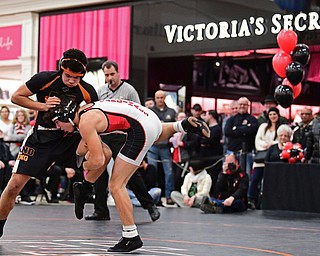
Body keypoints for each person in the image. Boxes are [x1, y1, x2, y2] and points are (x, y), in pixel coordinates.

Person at [44, 96, 210, 252]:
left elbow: (98, 160)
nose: (58, 127)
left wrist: (80, 167)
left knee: (116, 185)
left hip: (141, 129)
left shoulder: (86, 122)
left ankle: (130, 236)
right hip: (150, 119)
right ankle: (181, 126)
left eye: (58, 122)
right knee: (151, 136)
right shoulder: (87, 109)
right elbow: (100, 153)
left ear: (66, 117)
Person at [0, 48, 98, 238]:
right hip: (42, 138)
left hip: (69, 138)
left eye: (76, 78)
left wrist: (75, 123)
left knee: (103, 151)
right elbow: (16, 97)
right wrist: (43, 106)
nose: (71, 81)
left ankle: (85, 188)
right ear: (61, 69)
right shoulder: (45, 79)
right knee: (13, 186)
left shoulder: (87, 91)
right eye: (68, 76)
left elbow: (95, 116)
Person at [86, 60, 160, 222]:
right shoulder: (101, 91)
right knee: (99, 172)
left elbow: (140, 115)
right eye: (106, 75)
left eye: (112, 74)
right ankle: (100, 210)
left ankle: (149, 206)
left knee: (130, 175)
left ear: (119, 73)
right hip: (104, 136)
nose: (109, 78)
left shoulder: (129, 91)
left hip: (122, 136)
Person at [247, 107, 281, 209]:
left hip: (273, 159)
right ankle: (251, 199)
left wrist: (272, 145)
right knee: (255, 179)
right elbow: (257, 141)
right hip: (260, 158)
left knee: (269, 181)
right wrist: (266, 145)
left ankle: (266, 202)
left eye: (274, 114)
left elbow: (282, 141)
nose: (272, 116)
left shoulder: (281, 127)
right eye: (270, 114)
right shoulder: (263, 126)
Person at [147, 90, 176, 205]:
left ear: (164, 98)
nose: (159, 99)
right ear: (155, 99)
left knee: (168, 172)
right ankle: (153, 196)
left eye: (161, 97)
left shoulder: (172, 112)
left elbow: (175, 127)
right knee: (152, 172)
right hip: (153, 146)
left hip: (165, 146)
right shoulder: (150, 112)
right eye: (157, 97)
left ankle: (169, 195)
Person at [5, 109, 34, 205]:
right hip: (12, 153)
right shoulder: (12, 126)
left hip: (23, 153)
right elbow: (8, 137)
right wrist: (19, 137)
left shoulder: (28, 126)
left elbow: (27, 136)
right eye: (19, 115)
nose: (21, 117)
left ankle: (25, 195)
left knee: (24, 171)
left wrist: (16, 137)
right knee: (10, 171)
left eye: (22, 115)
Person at [224, 97, 259, 178]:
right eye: (240, 104)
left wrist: (236, 128)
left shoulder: (253, 119)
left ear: (248, 106)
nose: (242, 106)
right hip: (232, 153)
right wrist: (245, 129)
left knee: (246, 176)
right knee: (230, 176)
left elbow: (252, 130)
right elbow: (227, 132)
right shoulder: (231, 119)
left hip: (248, 153)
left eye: (244, 104)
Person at [169, 111, 199, 191]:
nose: (182, 119)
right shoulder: (172, 129)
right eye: (180, 117)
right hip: (174, 158)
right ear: (176, 119)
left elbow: (194, 143)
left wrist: (182, 144)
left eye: (184, 117)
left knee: (180, 177)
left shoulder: (189, 130)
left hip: (184, 158)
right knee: (173, 177)